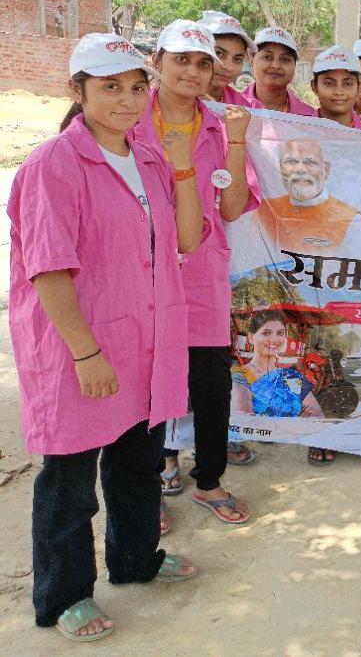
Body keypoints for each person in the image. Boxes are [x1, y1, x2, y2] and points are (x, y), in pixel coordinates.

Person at [9, 34, 202, 642]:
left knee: (137, 462)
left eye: (137, 88)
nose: (127, 100)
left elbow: (187, 239)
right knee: (70, 480)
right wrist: (86, 352)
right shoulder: (54, 165)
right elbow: (47, 269)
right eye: (110, 87)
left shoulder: (147, 159)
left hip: (145, 341)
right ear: (78, 90)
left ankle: (136, 558)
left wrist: (182, 160)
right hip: (82, 347)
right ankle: (65, 595)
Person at [133, 19, 261, 529]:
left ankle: (209, 479)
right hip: (140, 271)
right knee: (144, 384)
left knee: (210, 383)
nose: (193, 71)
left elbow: (230, 208)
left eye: (203, 63)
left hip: (204, 271)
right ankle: (146, 488)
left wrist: (236, 143)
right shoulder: (128, 119)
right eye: (181, 59)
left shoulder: (221, 125)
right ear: (157, 62)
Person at [231, 312, 328, 465]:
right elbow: (244, 419)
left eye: (280, 333)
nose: (274, 339)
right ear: (251, 337)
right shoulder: (238, 375)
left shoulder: (290, 375)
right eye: (266, 333)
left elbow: (315, 412)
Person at [257, 138, 361, 256]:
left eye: (310, 162)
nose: (300, 169)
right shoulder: (265, 210)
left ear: (326, 170)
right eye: (291, 161)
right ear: (280, 167)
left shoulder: (350, 219)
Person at [245, 26, 318, 116]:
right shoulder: (232, 108)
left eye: (284, 59)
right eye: (267, 57)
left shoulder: (310, 118)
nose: (275, 65)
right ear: (251, 60)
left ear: (295, 65)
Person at [198, 10, 257, 106]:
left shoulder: (248, 108)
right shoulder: (173, 101)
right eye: (219, 53)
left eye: (237, 59)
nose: (229, 67)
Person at [311, 46, 361, 127]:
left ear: (359, 87)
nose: (339, 92)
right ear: (314, 86)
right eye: (329, 83)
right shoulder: (297, 131)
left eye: (347, 84)